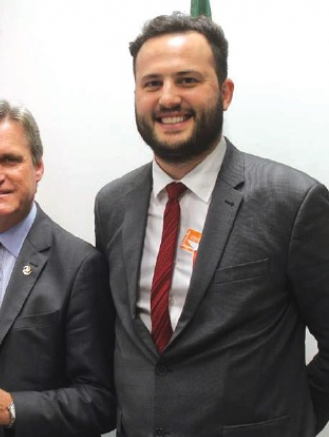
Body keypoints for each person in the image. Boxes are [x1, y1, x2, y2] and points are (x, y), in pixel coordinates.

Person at [94, 13, 329, 437]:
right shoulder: (112, 204)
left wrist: (299, 420)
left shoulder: (293, 201)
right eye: (152, 84)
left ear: (224, 92)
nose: (168, 98)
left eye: (187, 80)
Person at [0, 97, 116, 437]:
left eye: (10, 160)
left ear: (38, 167)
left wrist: (11, 409)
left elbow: (100, 401)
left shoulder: (79, 265)